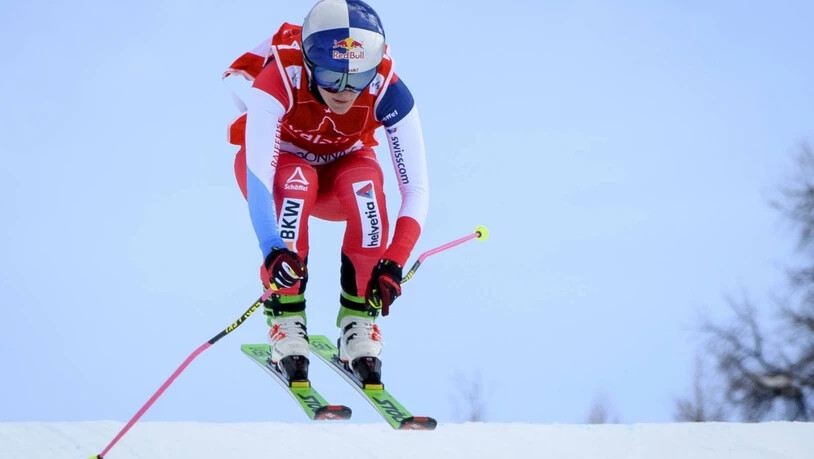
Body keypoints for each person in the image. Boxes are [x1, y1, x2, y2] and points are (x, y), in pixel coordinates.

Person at [223, 0, 429, 383]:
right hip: (281, 171)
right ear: (307, 62)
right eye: (331, 76)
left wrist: (394, 261)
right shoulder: (280, 76)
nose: (344, 91)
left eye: (358, 78)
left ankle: (358, 325)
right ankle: (286, 322)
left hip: (339, 175)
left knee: (365, 186)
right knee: (297, 182)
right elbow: (259, 175)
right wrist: (271, 247)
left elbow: (415, 188)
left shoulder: (388, 88)